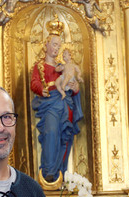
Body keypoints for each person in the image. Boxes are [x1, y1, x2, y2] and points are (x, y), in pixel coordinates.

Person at [31, 33, 83, 182]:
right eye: (54, 44)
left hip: (66, 104)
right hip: (50, 104)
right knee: (51, 133)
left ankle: (61, 171)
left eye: (59, 46)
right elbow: (34, 83)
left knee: (64, 137)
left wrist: (75, 88)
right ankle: (49, 172)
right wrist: (42, 89)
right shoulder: (40, 66)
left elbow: (74, 85)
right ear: (46, 45)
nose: (56, 48)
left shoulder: (65, 67)